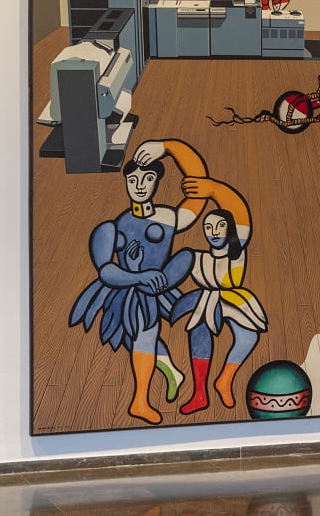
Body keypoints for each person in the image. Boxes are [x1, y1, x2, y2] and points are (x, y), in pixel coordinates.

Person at [69, 139, 209, 425]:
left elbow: (200, 187)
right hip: (128, 291)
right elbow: (106, 271)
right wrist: (139, 276)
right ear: (126, 183)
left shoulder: (169, 217)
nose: (140, 185)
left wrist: (169, 147)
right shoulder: (114, 227)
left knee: (146, 336)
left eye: (147, 179)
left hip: (160, 287)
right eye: (133, 179)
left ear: (156, 182)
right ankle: (146, 395)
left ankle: (157, 383)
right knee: (143, 336)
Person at [171, 176, 268, 414]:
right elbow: (168, 276)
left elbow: (239, 209)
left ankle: (224, 380)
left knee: (248, 338)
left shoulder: (237, 248)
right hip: (207, 300)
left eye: (220, 226)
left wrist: (215, 189)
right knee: (199, 336)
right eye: (208, 227)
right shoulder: (195, 257)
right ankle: (199, 393)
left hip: (235, 298)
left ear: (230, 228)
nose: (213, 232)